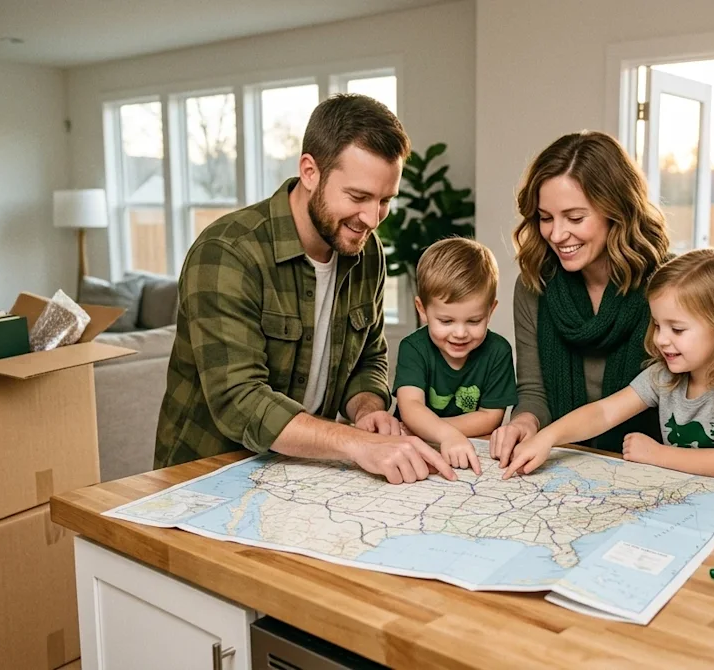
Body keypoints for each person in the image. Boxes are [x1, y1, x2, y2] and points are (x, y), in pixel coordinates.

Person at [154, 93, 455, 485]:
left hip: (300, 475)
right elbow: (239, 401)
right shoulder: (227, 252)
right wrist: (357, 443)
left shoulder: (367, 251)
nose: (371, 218)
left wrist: (367, 410)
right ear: (310, 172)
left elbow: (368, 359)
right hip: (205, 479)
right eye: (358, 196)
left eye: (385, 200)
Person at [502, 248, 714, 483]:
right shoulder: (664, 375)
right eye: (657, 325)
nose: (661, 339)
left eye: (677, 329)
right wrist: (548, 437)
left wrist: (655, 453)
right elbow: (604, 412)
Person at [490, 130, 671, 466]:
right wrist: (524, 422)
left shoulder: (669, 285)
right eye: (545, 218)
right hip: (570, 460)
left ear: (616, 210)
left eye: (575, 218)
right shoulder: (533, 286)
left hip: (655, 464)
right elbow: (533, 392)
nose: (557, 235)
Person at [392, 237, 517, 476]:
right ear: (422, 309)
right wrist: (446, 435)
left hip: (468, 449)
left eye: (474, 321)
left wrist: (439, 432)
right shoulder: (413, 348)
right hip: (413, 449)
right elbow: (411, 407)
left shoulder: (498, 351)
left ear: (490, 311)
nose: (460, 333)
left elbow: (490, 417)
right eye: (446, 321)